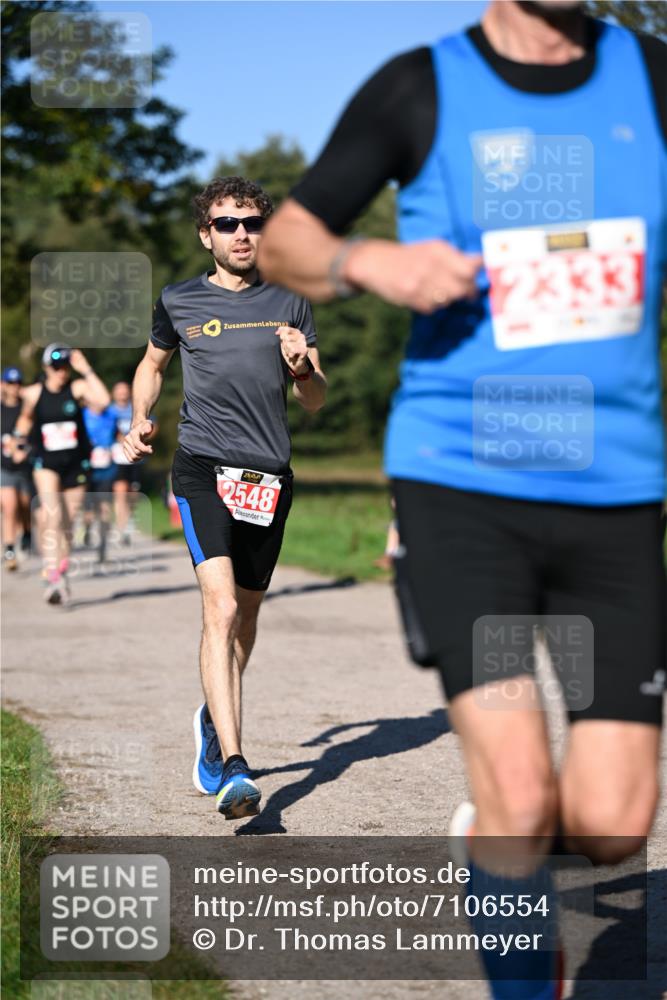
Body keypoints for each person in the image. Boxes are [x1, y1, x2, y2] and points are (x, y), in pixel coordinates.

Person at [259, 2, 665, 995]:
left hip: (615, 492)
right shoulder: (421, 85)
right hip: (462, 485)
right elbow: (284, 241)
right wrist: (368, 262)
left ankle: (493, 838)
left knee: (611, 828)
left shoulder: (651, 76)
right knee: (524, 797)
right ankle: (519, 927)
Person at [124, 176, 327, 819]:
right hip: (201, 469)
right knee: (217, 606)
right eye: (228, 224)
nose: (243, 234)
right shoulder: (179, 300)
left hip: (268, 477)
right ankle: (236, 768)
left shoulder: (291, 301)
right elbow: (152, 365)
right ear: (206, 234)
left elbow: (316, 399)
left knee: (245, 619)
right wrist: (139, 419)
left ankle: (214, 717)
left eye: (253, 223)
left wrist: (301, 365)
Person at [11, 345, 109, 603]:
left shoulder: (76, 389)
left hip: (76, 465)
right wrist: (18, 442)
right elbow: (23, 420)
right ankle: (52, 574)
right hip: (47, 464)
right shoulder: (33, 393)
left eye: (65, 367)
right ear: (46, 368)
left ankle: (61, 569)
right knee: (52, 515)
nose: (61, 372)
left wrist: (85, 369)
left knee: (67, 522)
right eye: (56, 367)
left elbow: (103, 401)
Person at [109, 381, 156, 544]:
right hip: (117, 457)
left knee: (133, 492)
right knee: (120, 492)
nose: (122, 394)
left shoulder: (136, 410)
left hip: (135, 458)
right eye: (119, 391)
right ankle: (122, 528)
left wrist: (143, 436)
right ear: (114, 393)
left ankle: (129, 519)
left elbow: (152, 426)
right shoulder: (109, 411)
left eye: (124, 391)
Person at [1, 366, 32, 570]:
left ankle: (27, 532)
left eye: (18, 383)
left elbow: (36, 435)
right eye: (10, 383)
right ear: (4, 385)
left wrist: (25, 450)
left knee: (24, 505)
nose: (15, 387)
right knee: (9, 507)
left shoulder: (28, 409)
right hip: (4, 467)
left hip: (26, 467)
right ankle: (9, 548)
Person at [82, 400, 118, 564]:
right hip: (85, 469)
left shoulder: (111, 415)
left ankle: (103, 546)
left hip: (106, 468)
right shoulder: (81, 414)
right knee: (88, 508)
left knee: (104, 507)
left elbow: (118, 434)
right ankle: (87, 527)